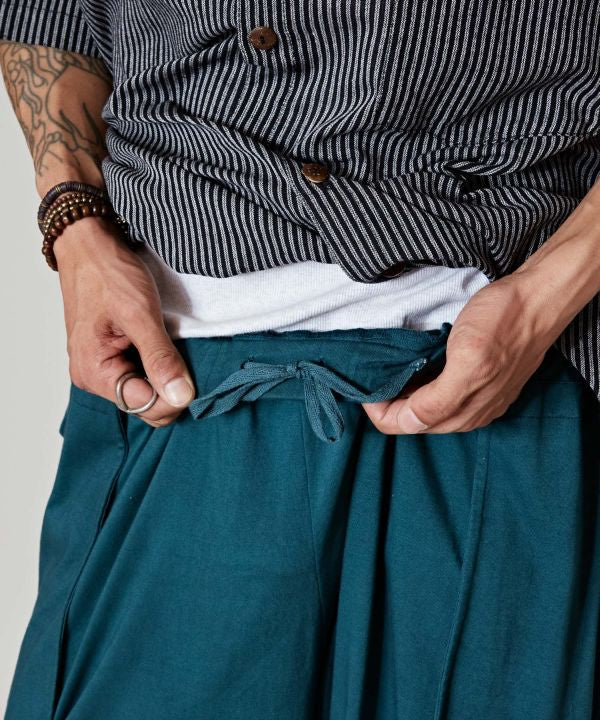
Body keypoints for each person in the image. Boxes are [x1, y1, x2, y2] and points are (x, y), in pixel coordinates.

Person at [1, 0, 600, 717]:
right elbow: (48, 19)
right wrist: (75, 227)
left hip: (498, 383)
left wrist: (546, 296)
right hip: (183, 399)